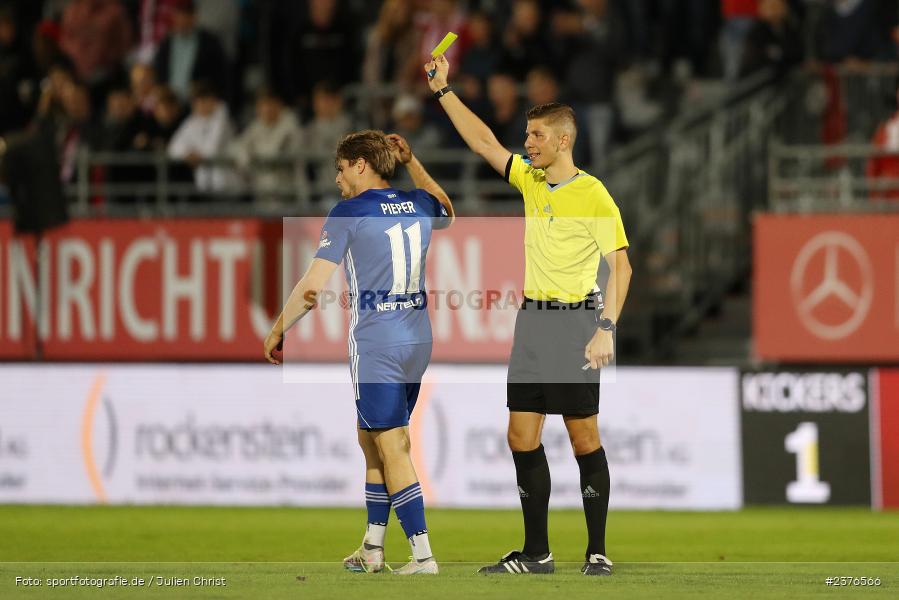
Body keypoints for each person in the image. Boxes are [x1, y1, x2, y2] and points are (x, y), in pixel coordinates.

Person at [424, 53, 631, 576]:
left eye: (537, 135)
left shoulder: (594, 195)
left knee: (584, 437)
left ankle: (598, 551)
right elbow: (484, 143)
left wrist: (606, 328)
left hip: (575, 323)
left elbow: (622, 268)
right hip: (533, 322)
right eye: (527, 135)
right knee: (521, 436)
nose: (528, 143)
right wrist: (444, 91)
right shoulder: (533, 183)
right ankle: (537, 553)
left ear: (563, 140)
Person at [263, 130, 454, 576]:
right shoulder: (417, 203)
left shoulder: (348, 212)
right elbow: (446, 208)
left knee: (393, 446)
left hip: (377, 342)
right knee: (371, 440)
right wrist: (413, 161)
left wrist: (277, 329)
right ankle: (372, 548)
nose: (337, 178)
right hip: (417, 337)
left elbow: (312, 288)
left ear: (362, 165)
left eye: (342, 167)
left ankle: (423, 556)